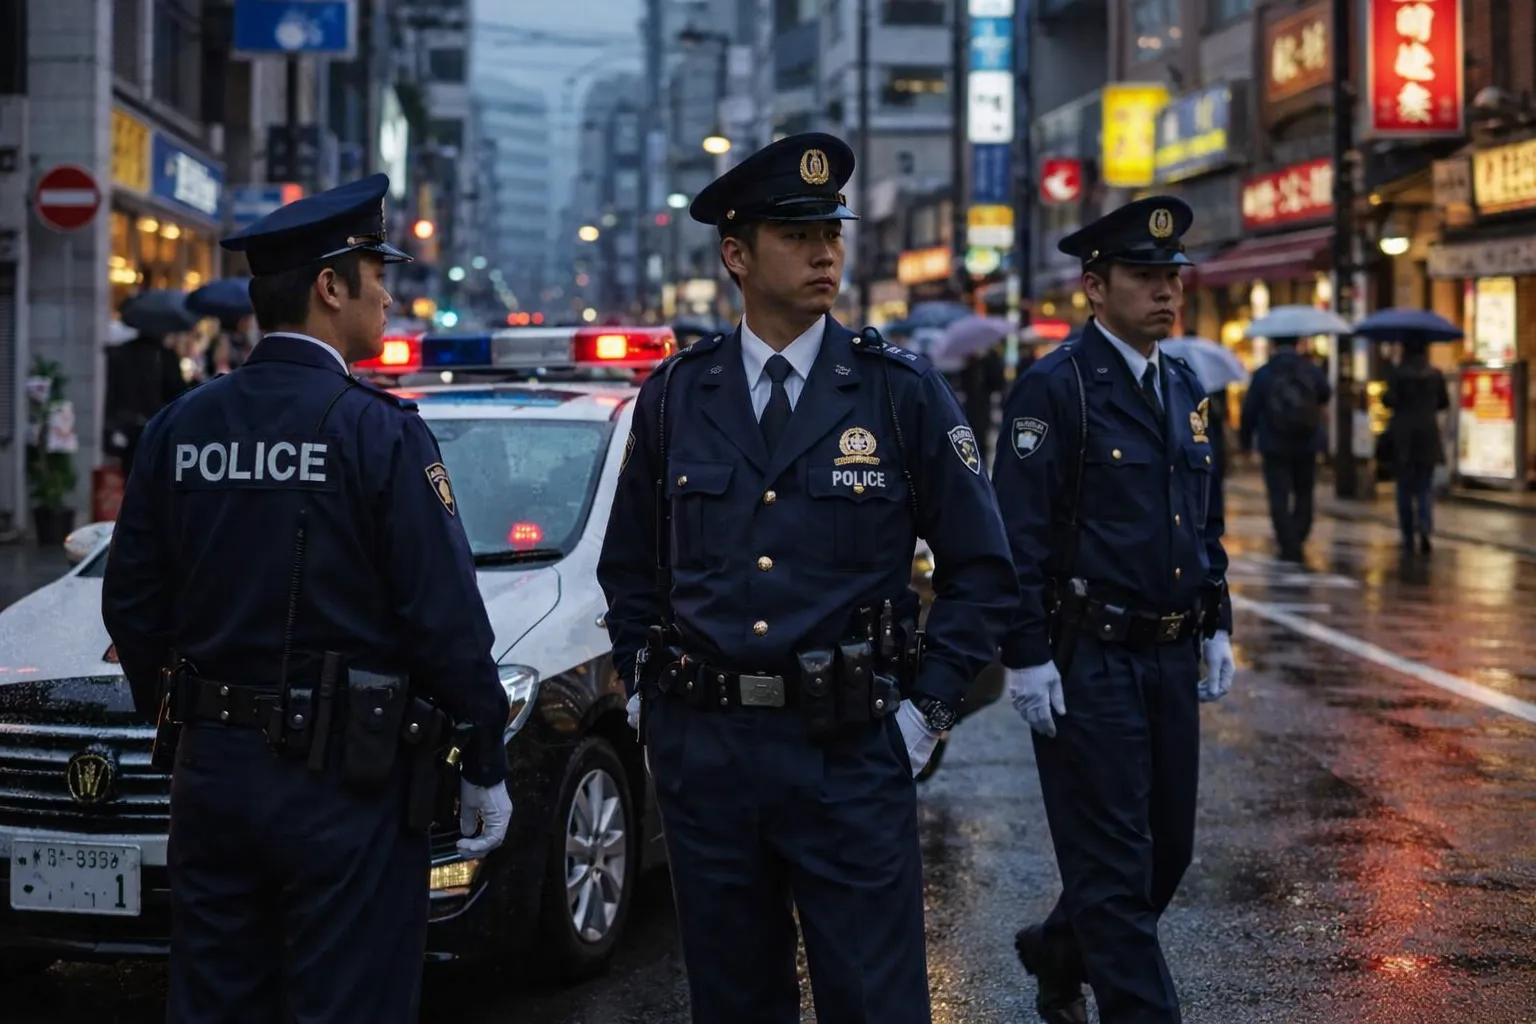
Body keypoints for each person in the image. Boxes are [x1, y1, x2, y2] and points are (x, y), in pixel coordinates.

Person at [596, 132, 1015, 1024]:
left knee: (874, 1003)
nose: (826, 249)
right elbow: (629, 565)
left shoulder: (898, 392)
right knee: (734, 1001)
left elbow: (983, 571)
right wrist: (645, 696)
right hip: (708, 757)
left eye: (831, 228)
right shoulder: (677, 396)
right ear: (736, 254)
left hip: (851, 750)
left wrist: (923, 716)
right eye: (797, 233)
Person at [100, 173, 513, 1024]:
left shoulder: (181, 427)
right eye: (376, 272)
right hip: (345, 788)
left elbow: (132, 604)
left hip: (210, 778)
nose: (391, 293)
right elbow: (444, 620)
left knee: (215, 996)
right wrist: (483, 759)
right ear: (331, 286)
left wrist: (184, 720)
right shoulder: (378, 431)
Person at [990, 195, 1237, 1024]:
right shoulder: (1056, 390)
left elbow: (1204, 518)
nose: (1166, 291)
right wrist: (1024, 654)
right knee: (1114, 862)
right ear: (1095, 286)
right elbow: (1015, 537)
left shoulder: (1184, 384)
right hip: (1087, 654)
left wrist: (1217, 618)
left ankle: (1060, 949)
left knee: (1168, 850)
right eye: (1144, 276)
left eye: (1173, 276)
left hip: (1167, 653)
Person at [1238, 334, 1331, 562]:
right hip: (1306, 441)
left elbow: (1250, 410)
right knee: (1304, 492)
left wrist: (1245, 442)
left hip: (1274, 442)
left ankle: (1288, 542)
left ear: (1273, 345)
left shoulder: (1264, 373)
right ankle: (1298, 535)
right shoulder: (1310, 369)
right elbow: (1326, 392)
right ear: (1299, 343)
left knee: (1278, 495)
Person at [1382, 336, 1450, 553]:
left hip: (1403, 435)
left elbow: (1387, 400)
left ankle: (1407, 531)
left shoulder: (1398, 373)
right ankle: (1424, 524)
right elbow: (1444, 402)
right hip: (1428, 434)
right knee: (1424, 485)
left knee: (1404, 486)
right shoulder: (1435, 374)